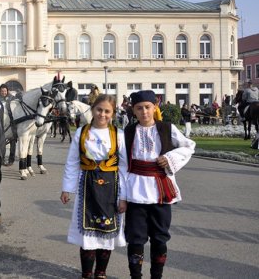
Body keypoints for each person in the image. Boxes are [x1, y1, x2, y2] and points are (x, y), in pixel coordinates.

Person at [124, 90, 195, 279]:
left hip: (160, 190)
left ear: (155, 107)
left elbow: (189, 146)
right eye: (139, 108)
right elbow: (123, 165)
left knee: (160, 237)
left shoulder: (166, 128)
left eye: (147, 107)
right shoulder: (128, 132)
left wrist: (170, 157)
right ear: (134, 110)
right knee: (135, 238)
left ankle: (156, 276)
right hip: (135, 190)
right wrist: (122, 197)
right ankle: (136, 276)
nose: (144, 112)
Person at [60, 94, 128, 279]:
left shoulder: (118, 134)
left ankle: (101, 273)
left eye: (107, 111)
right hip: (86, 187)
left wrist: (124, 197)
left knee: (106, 232)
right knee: (87, 234)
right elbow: (72, 162)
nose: (102, 114)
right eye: (99, 110)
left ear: (113, 113)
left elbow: (123, 167)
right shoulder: (81, 132)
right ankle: (86, 273)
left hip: (111, 188)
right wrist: (67, 188)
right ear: (92, 109)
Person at [0, 84, 16, 166]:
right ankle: (2, 159)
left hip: (11, 123)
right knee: (2, 142)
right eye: (2, 91)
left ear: (7, 91)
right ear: (0, 91)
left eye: (5, 91)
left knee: (12, 141)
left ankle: (11, 159)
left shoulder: (12, 98)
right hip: (1, 123)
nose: (3, 92)